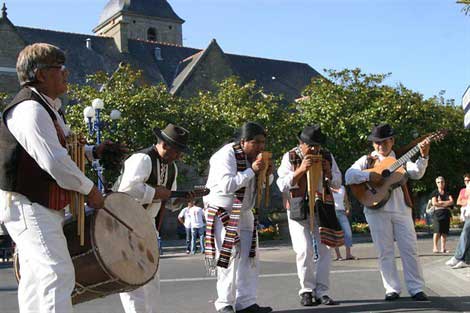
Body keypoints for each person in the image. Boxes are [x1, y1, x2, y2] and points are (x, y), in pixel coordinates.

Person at [0, 43, 106, 313]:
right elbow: (54, 161)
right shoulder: (30, 110)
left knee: (37, 277)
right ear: (42, 74)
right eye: (60, 68)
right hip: (28, 203)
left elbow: (65, 149)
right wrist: (89, 189)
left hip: (39, 204)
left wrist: (94, 152)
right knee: (56, 272)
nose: (66, 74)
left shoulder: (49, 108)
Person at [345, 123, 431, 302]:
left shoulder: (400, 159)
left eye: (384, 142)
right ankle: (391, 288)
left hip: (401, 209)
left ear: (392, 141)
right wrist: (369, 176)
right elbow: (349, 175)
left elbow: (417, 173)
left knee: (410, 249)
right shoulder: (367, 160)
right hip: (376, 209)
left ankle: (416, 288)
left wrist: (424, 156)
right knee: (385, 251)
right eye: (376, 142)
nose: (380, 146)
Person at [116, 123, 190, 313]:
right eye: (177, 151)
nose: (179, 156)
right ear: (164, 145)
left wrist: (179, 199)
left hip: (148, 224)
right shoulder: (142, 159)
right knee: (132, 275)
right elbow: (127, 188)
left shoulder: (172, 167)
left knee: (151, 275)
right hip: (126, 221)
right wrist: (156, 192)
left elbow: (169, 201)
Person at [204, 122, 273, 313]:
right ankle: (225, 303)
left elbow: (262, 186)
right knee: (228, 256)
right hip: (223, 210)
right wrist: (253, 170)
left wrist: (267, 173)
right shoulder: (225, 155)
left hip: (244, 211)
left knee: (250, 258)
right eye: (256, 142)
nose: (261, 147)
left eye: (263, 143)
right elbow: (227, 185)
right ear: (243, 141)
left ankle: (246, 302)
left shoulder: (253, 158)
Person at [277, 124, 342, 307]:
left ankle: (323, 291)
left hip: (322, 206)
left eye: (317, 146)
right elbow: (281, 184)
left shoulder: (327, 156)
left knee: (325, 250)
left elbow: (338, 182)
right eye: (310, 145)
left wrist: (328, 172)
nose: (314, 149)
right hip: (298, 207)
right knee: (304, 250)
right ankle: (306, 290)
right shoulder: (289, 156)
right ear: (301, 143)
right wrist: (300, 170)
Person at [446, 173, 470, 269]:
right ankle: (466, 260)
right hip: (466, 214)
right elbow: (458, 201)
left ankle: (458, 257)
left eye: (468, 180)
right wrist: (467, 201)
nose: (467, 182)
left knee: (465, 233)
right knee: (467, 235)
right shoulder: (463, 190)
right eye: (465, 180)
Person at [331, 185, 357, 261]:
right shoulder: (327, 187)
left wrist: (348, 208)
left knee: (348, 232)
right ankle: (338, 255)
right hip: (332, 212)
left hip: (342, 211)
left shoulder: (342, 187)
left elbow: (346, 199)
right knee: (335, 234)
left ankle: (348, 254)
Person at [431, 176, 454, 253]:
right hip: (437, 214)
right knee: (437, 231)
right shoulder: (434, 192)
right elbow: (434, 203)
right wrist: (446, 203)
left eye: (442, 182)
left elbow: (452, 202)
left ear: (444, 182)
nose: (440, 183)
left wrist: (441, 202)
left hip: (446, 214)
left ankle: (443, 248)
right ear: (436, 183)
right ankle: (435, 247)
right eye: (438, 182)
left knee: (444, 232)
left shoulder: (448, 192)